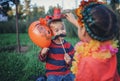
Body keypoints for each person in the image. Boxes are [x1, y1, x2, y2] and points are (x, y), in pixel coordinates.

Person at [66, 0, 120, 81]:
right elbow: (89, 34)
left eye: (81, 25)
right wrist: (76, 23)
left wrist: (70, 63)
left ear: (84, 31)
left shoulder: (86, 62)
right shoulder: (109, 52)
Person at [38, 8, 75, 81]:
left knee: (73, 78)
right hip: (52, 73)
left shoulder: (68, 46)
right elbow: (41, 59)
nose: (61, 32)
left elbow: (72, 62)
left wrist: (69, 61)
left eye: (62, 28)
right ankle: (44, 78)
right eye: (57, 30)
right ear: (52, 33)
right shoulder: (49, 45)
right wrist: (43, 53)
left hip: (66, 72)